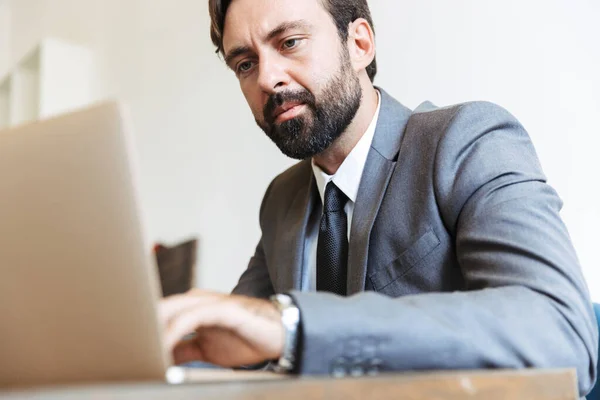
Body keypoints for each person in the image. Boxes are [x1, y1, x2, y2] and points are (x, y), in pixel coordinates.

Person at [159, 0, 598, 395]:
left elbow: (562, 332)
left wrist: (294, 327)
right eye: (245, 64)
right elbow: (238, 342)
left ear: (360, 44)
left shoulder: (466, 142)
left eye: (290, 42)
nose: (268, 78)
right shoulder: (282, 200)